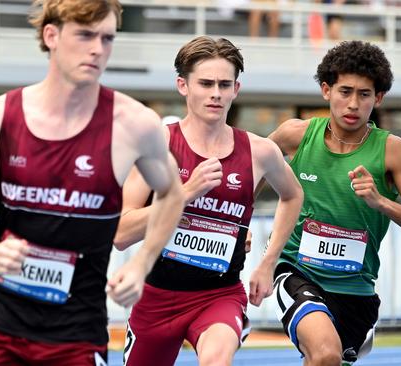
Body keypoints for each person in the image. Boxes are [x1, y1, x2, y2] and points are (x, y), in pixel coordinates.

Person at [0, 0, 184, 364]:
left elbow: (172, 193)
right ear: (51, 35)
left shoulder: (134, 124)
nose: (97, 49)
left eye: (107, 38)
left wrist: (142, 263)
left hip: (76, 328)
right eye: (86, 35)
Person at [115, 36, 304, 366]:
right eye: (205, 83)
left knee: (217, 360)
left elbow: (292, 194)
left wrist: (268, 260)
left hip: (220, 295)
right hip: (157, 296)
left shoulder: (260, 152)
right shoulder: (158, 144)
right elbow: (120, 233)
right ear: (182, 86)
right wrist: (184, 194)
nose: (215, 93)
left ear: (236, 89)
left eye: (224, 84)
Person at [267, 40, 401, 365]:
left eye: (364, 94)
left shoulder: (392, 150)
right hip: (297, 271)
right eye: (344, 91)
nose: (353, 104)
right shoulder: (296, 135)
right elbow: (251, 167)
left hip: (356, 291)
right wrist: (240, 222)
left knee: (325, 360)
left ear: (378, 98)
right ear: (326, 90)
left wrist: (382, 203)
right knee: (324, 352)